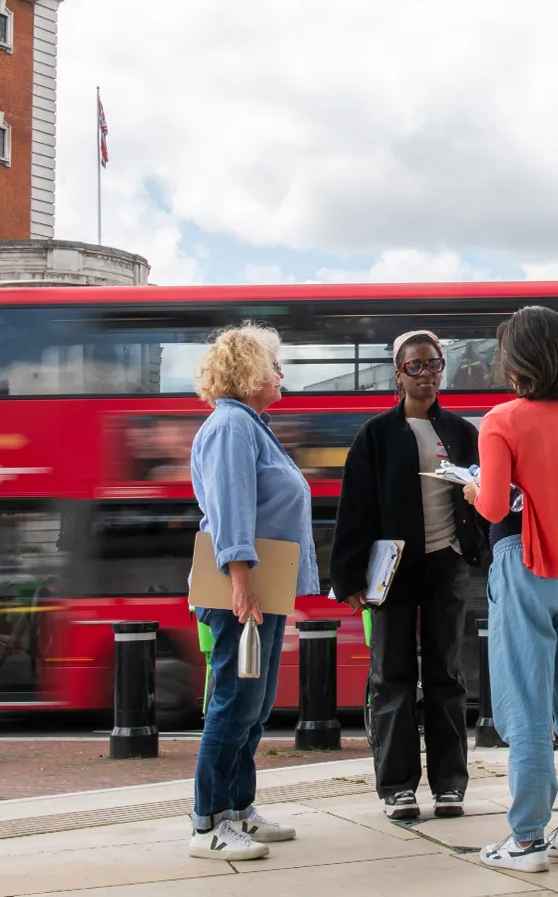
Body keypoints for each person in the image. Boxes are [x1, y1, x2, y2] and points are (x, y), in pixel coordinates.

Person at [465, 305, 558, 874]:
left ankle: (526, 839)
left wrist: (473, 490)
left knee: (528, 704)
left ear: (516, 358)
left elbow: (495, 506)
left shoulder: (501, 420)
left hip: (525, 566)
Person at [331, 330, 488, 821]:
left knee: (447, 675)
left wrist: (473, 543)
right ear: (398, 374)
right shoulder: (375, 435)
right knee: (392, 677)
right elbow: (354, 510)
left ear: (444, 368)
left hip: (447, 564)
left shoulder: (463, 433)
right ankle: (397, 787)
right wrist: (350, 578)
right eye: (414, 366)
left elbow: (486, 496)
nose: (425, 373)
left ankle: (448, 785)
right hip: (392, 570)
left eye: (433, 363)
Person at [188, 324, 320, 861]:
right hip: (242, 587)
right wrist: (241, 579)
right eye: (273, 364)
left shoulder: (252, 426)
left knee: (254, 705)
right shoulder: (230, 428)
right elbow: (231, 507)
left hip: (264, 583)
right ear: (248, 372)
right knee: (232, 703)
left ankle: (239, 809)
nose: (280, 374)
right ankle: (208, 823)